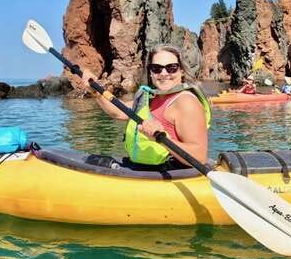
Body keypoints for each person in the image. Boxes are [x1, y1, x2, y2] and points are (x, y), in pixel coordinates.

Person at [78, 45, 211, 169]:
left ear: (181, 71)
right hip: (145, 169)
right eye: (157, 68)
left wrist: (162, 138)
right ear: (151, 73)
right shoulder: (152, 97)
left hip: (171, 174)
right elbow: (118, 112)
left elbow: (199, 157)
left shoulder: (186, 102)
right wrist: (95, 92)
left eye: (171, 68)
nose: (164, 73)